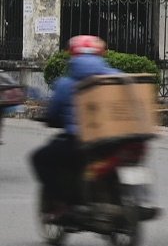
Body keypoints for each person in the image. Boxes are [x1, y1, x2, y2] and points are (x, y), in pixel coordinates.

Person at [29, 34, 115, 219]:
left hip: (79, 142)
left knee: (39, 158)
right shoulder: (116, 78)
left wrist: (49, 118)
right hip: (116, 140)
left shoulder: (65, 84)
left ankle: (60, 202)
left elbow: (53, 113)